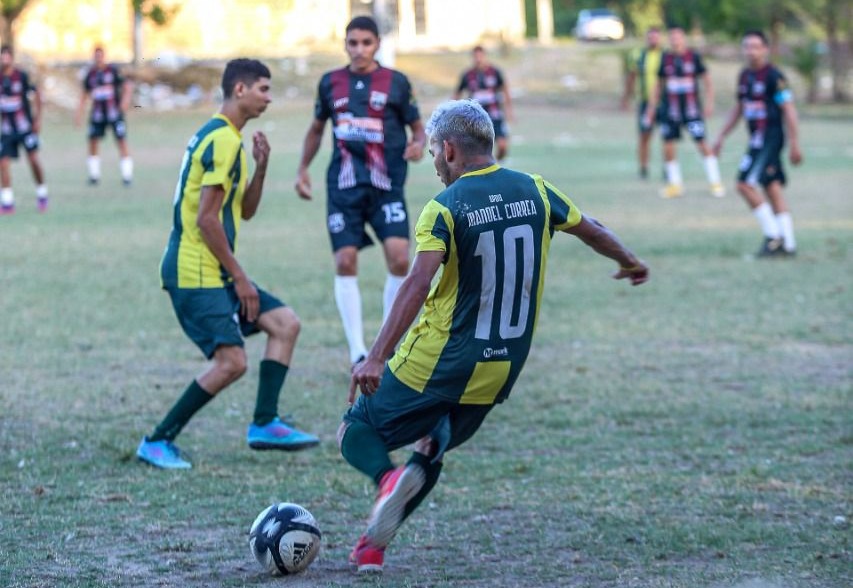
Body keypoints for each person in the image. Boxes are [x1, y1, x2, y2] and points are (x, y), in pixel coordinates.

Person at [340, 100, 649, 572]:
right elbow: (592, 229)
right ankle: (372, 547)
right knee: (431, 446)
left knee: (355, 430)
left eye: (435, 159)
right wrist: (629, 261)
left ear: (449, 150)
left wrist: (376, 356)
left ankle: (385, 479)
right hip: (501, 366)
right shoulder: (537, 190)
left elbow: (418, 281)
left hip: (439, 358)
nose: (436, 170)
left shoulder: (443, 207)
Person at [137, 59, 319, 470]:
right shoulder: (222, 141)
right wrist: (240, 278)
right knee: (232, 362)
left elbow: (245, 211)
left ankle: (265, 423)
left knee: (284, 324)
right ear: (240, 90)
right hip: (194, 270)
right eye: (263, 89)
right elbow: (205, 220)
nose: (269, 98)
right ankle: (157, 441)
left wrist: (262, 168)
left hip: (213, 267)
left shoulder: (225, 137)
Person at [295, 15, 425, 368]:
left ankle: (387, 344)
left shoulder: (396, 82)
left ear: (377, 44)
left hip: (386, 185)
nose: (359, 50)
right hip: (344, 186)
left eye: (366, 42)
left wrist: (418, 145)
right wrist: (302, 169)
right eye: (352, 43)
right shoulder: (330, 82)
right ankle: (358, 351)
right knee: (345, 260)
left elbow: (419, 128)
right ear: (345, 44)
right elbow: (316, 129)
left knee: (400, 258)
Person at [712, 30, 802, 257]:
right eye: (747, 46)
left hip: (770, 139)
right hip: (756, 139)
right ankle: (788, 245)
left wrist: (794, 143)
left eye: (755, 46)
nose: (751, 51)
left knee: (744, 184)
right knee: (772, 188)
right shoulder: (745, 76)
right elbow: (739, 109)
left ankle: (773, 237)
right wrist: (721, 135)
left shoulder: (774, 77)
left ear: (765, 49)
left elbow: (789, 110)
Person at [644, 26, 724, 198]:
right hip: (670, 110)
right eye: (672, 37)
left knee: (702, 143)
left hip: (691, 110)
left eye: (678, 37)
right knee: (668, 144)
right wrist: (652, 108)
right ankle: (675, 184)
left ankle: (715, 182)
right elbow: (658, 84)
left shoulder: (693, 57)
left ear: (684, 39)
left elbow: (707, 81)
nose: (675, 41)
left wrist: (710, 102)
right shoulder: (665, 58)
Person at [74, 46, 133, 186]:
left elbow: (127, 85)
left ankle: (127, 176)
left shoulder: (113, 71)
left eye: (100, 55)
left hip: (114, 114)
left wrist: (125, 102)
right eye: (96, 55)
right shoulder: (90, 74)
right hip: (97, 115)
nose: (98, 58)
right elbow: (84, 95)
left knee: (121, 141)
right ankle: (94, 175)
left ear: (104, 56)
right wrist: (79, 114)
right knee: (93, 142)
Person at [0, 45, 47, 215]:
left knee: (33, 159)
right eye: (2, 56)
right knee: (3, 164)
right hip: (6, 130)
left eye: (7, 56)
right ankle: (7, 202)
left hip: (24, 128)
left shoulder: (21, 77)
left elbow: (37, 95)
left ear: (11, 58)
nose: (4, 60)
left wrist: (38, 119)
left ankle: (42, 194)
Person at [453, 45, 514, 161]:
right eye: (475, 56)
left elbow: (505, 90)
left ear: (485, 56)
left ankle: (496, 163)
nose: (478, 59)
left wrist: (509, 111)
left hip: (494, 114)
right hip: (475, 117)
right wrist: (452, 111)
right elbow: (457, 93)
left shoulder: (495, 72)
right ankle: (484, 166)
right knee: (477, 148)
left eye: (480, 56)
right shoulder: (467, 75)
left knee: (502, 146)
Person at [621, 28, 663, 179]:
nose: (653, 40)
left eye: (656, 37)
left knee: (667, 136)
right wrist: (626, 97)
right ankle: (643, 167)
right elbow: (631, 77)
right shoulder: (639, 55)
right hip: (645, 102)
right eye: (650, 37)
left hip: (663, 103)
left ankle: (668, 168)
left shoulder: (665, 56)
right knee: (644, 135)